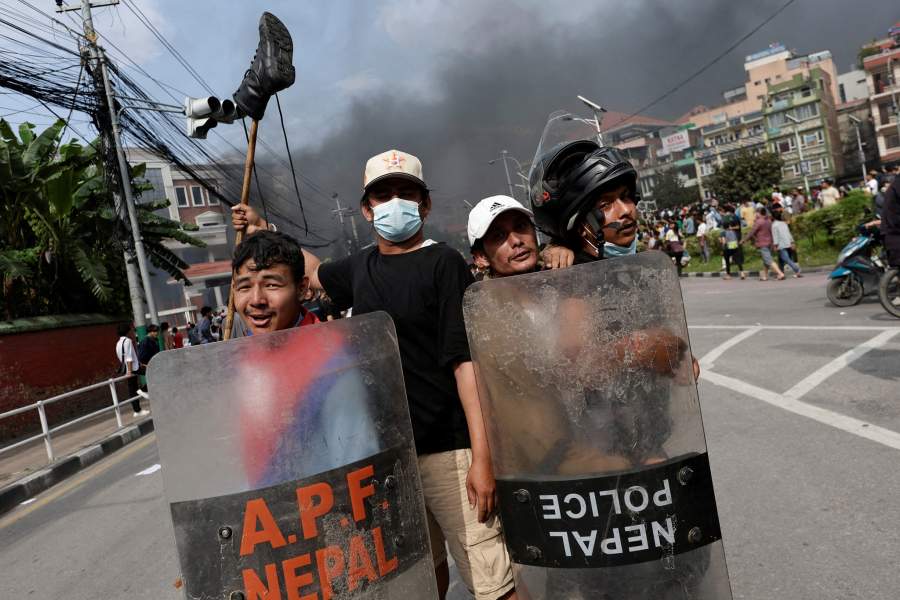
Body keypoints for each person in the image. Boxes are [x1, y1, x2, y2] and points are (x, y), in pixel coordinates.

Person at [233, 149, 518, 600]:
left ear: (424, 205)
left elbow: (466, 367)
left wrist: (481, 459)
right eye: (383, 195)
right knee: (425, 575)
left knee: (492, 581)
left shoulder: (444, 264)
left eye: (406, 193)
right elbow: (309, 270)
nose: (394, 203)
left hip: (449, 452)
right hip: (388, 460)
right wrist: (262, 227)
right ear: (366, 209)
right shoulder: (362, 266)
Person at [743, 207, 785, 281]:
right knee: (766, 260)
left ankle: (780, 273)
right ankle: (765, 276)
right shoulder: (769, 220)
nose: (755, 214)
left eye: (756, 213)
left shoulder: (759, 222)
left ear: (759, 213)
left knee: (768, 260)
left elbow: (751, 232)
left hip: (763, 243)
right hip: (769, 243)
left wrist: (744, 240)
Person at [115, 322, 147, 417]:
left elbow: (121, 357)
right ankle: (142, 390)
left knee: (132, 390)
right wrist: (129, 371)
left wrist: (138, 364)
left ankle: (137, 411)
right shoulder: (128, 341)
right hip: (132, 368)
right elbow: (129, 357)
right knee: (152, 373)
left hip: (129, 368)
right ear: (127, 331)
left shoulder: (118, 343)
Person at [772, 209, 802, 278]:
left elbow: (775, 236)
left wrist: (775, 245)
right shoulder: (783, 223)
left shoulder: (774, 225)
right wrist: (792, 242)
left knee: (786, 258)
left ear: (773, 217)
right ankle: (781, 273)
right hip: (787, 243)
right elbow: (789, 233)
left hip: (780, 245)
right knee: (781, 260)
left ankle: (797, 269)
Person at [720, 204, 746, 280]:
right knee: (738, 259)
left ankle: (728, 274)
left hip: (727, 248)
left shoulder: (723, 232)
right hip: (734, 245)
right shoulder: (733, 232)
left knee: (727, 260)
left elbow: (723, 242)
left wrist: (722, 248)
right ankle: (742, 273)